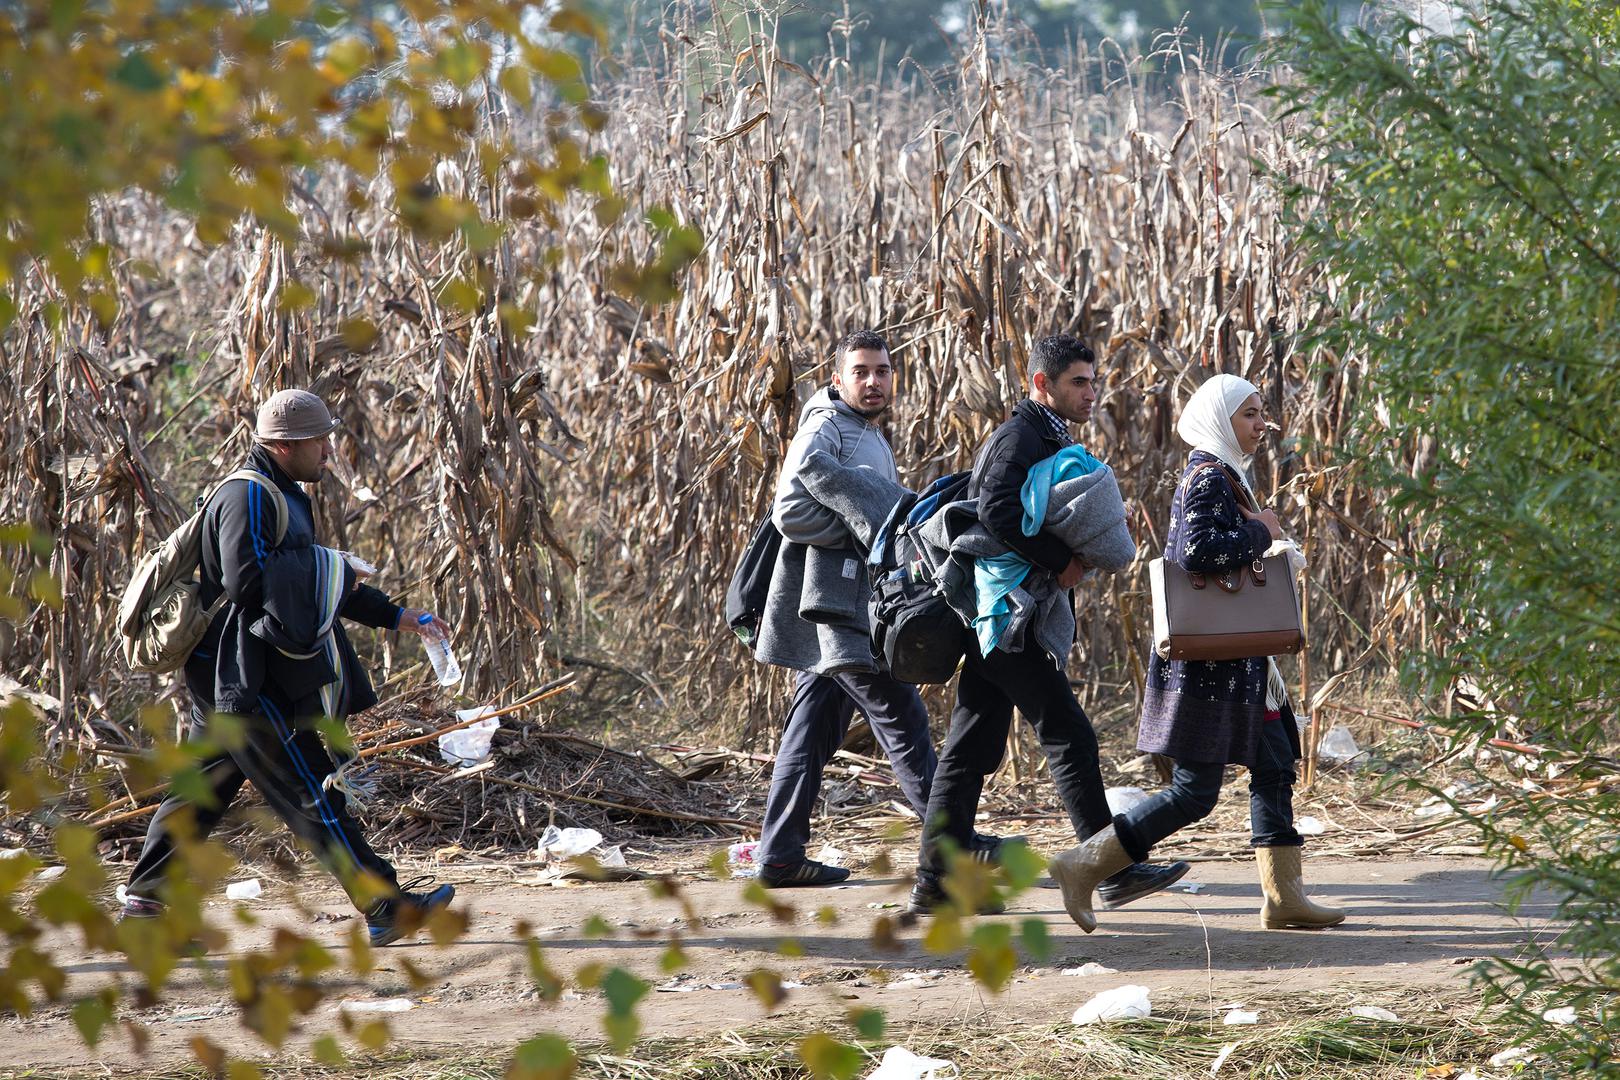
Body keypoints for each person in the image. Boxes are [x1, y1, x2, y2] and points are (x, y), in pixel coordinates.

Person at [119, 389, 456, 946]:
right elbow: (246, 582)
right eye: (319, 440)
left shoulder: (283, 494)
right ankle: (384, 906)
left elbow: (312, 583)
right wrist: (328, 565)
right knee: (311, 790)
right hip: (248, 678)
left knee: (198, 795)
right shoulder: (247, 496)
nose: (328, 450)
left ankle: (145, 910)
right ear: (284, 445)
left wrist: (399, 616)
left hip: (232, 676)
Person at [1048, 374, 1344, 932]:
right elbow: (1195, 552)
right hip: (1211, 667)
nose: (1262, 424)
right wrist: (1263, 534)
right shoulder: (1208, 476)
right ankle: (1084, 864)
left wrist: (1261, 534)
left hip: (1243, 665)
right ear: (1218, 420)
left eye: (1261, 413)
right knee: (1195, 791)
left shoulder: (1228, 475)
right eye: (1249, 414)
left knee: (1276, 763)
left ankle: (1284, 898)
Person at [909, 335, 1188, 914]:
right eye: (1078, 382)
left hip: (1002, 614)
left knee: (969, 749)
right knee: (1069, 734)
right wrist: (1061, 560)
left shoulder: (1045, 434)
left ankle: (934, 882)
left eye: (1092, 381)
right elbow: (997, 510)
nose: (1091, 392)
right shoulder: (1021, 435)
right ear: (1042, 384)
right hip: (1007, 613)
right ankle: (1109, 870)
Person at [751, 330, 982, 887]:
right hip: (838, 611)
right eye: (861, 372)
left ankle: (779, 857)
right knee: (903, 718)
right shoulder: (826, 426)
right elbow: (789, 514)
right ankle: (955, 848)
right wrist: (871, 533)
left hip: (840, 605)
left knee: (810, 731)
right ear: (838, 379)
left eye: (882, 371)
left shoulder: (863, 430)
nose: (873, 381)